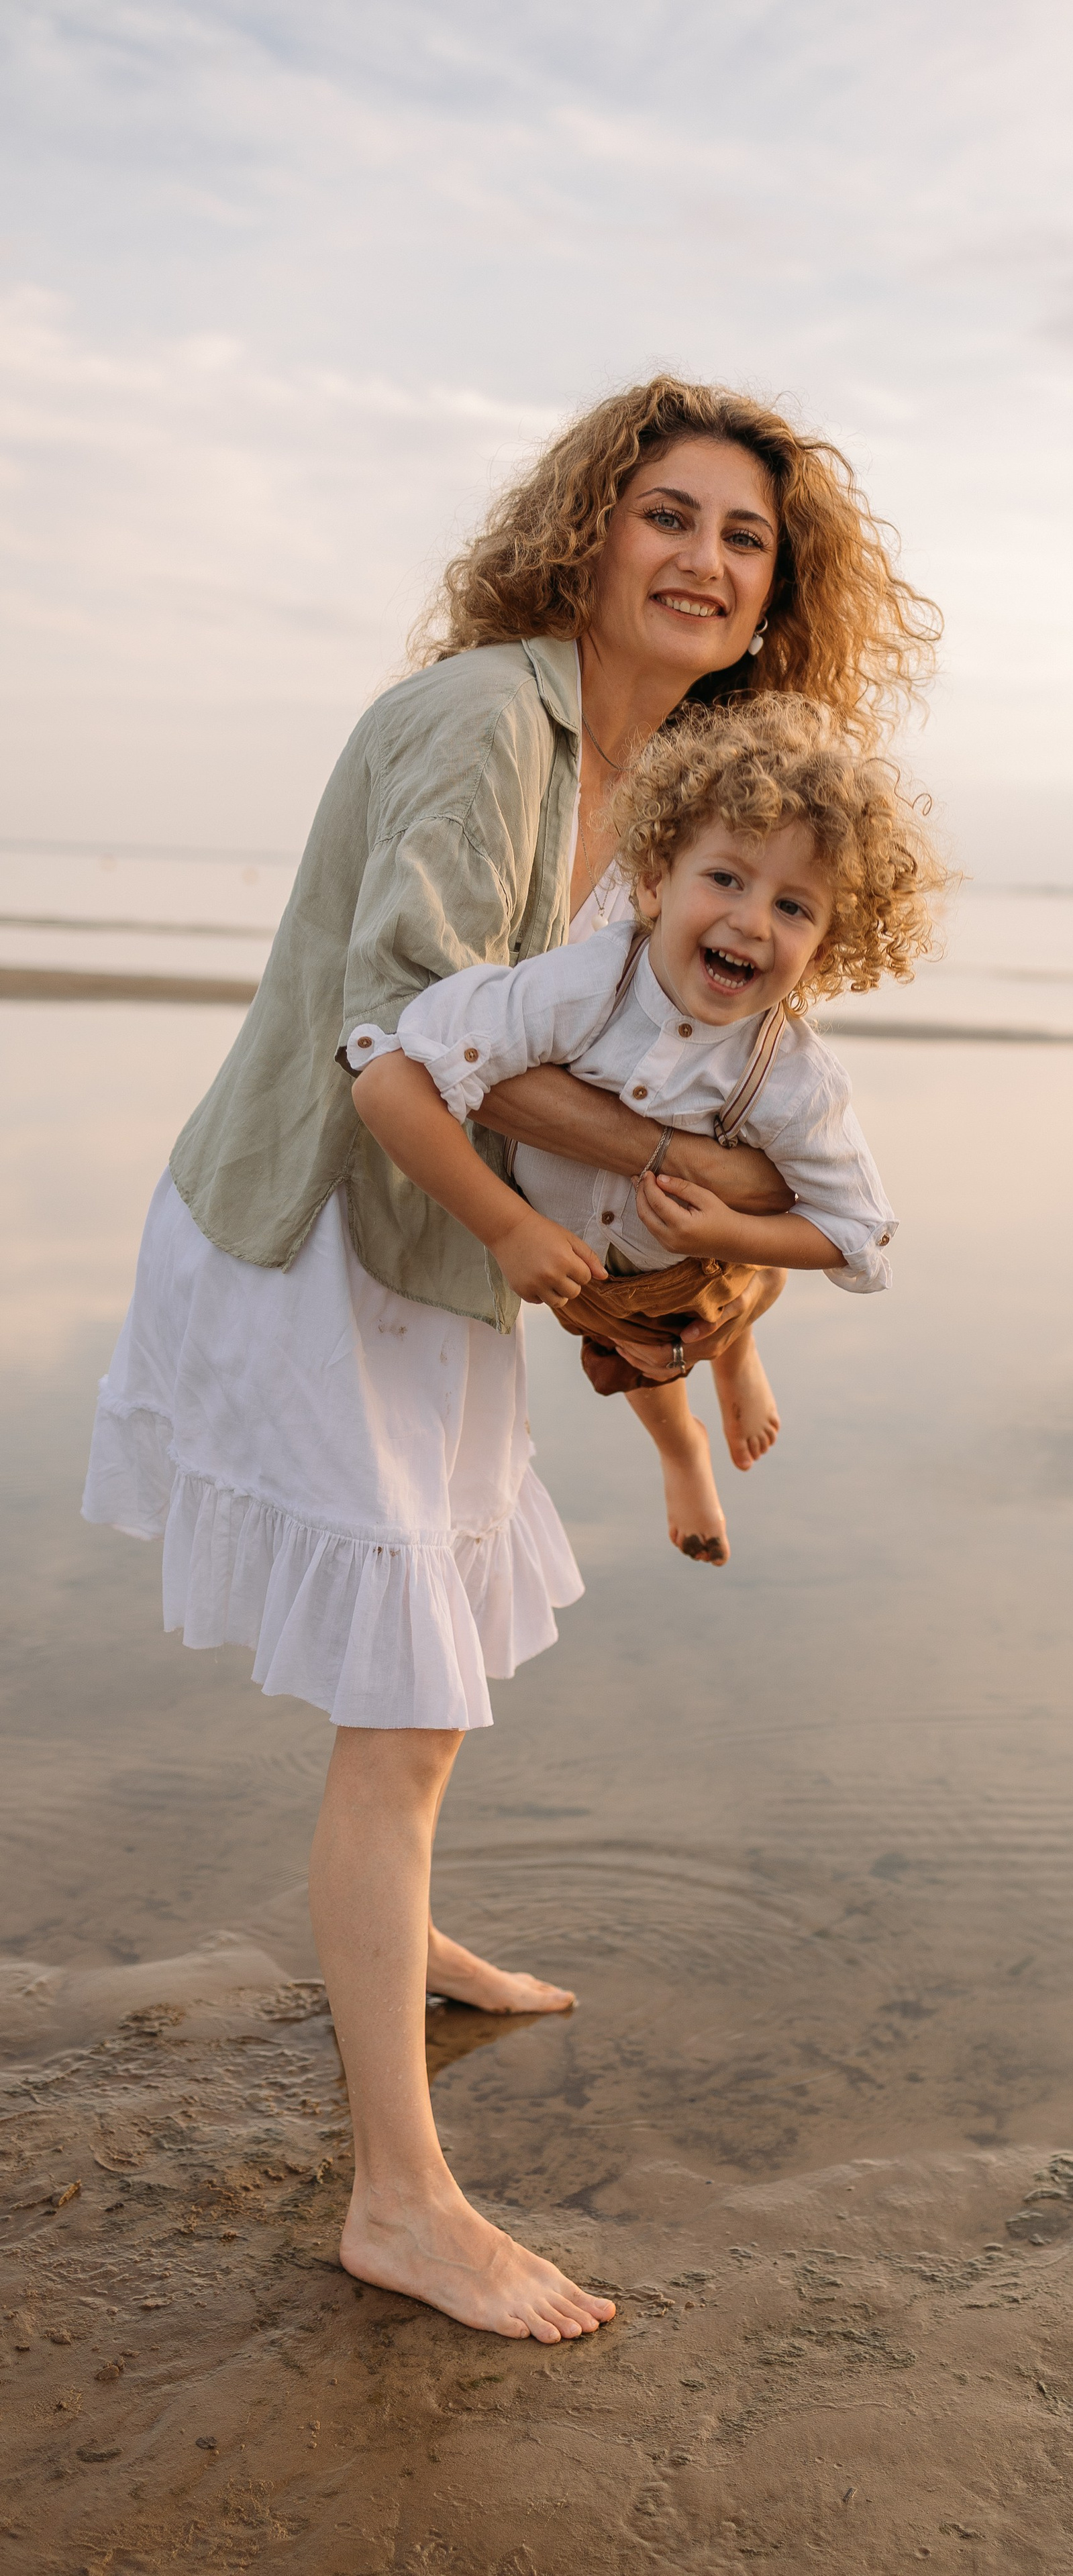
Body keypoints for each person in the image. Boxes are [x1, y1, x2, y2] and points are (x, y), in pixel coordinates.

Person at [81, 377, 938, 2343]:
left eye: (747, 537)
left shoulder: (685, 777)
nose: (706, 560)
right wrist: (677, 1171)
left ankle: (407, 1944)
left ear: (777, 590)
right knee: (396, 1709)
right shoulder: (493, 719)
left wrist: (722, 1209)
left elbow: (694, 1055)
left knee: (432, 1681)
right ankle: (398, 2201)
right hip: (323, 1225)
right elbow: (406, 1033)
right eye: (669, 513)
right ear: (589, 527)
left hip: (445, 1255)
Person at [348, 696, 946, 1564]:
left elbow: (858, 1230)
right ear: (657, 879)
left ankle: (737, 1351)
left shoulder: (793, 1076)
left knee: (704, 1317)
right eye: (728, 879)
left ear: (827, 945)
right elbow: (390, 1075)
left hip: (702, 1261)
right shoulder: (577, 991)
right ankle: (682, 1447)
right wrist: (506, 1226)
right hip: (583, 1272)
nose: (751, 920)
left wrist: (733, 1232)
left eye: (795, 908)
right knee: (636, 1358)